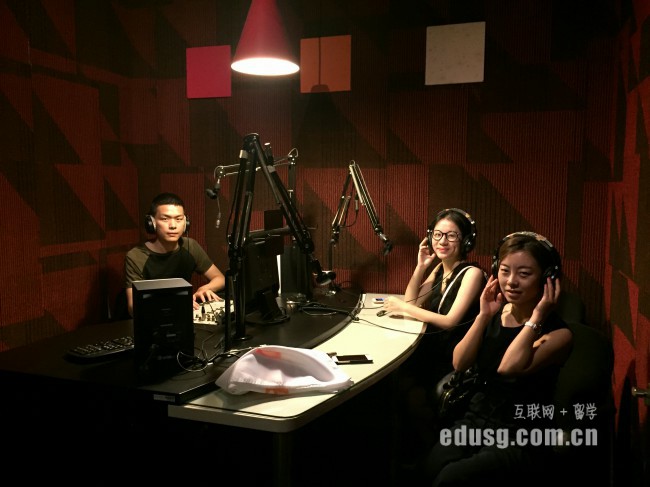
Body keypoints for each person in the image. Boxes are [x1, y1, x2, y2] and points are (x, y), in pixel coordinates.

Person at [417, 231, 574, 486]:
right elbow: (459, 363)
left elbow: (508, 367)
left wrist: (537, 317)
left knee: (450, 478)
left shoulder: (558, 334)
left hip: (521, 432)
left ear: (547, 278)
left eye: (524, 274)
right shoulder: (495, 313)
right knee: (429, 468)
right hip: (476, 418)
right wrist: (483, 316)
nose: (511, 282)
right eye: (504, 271)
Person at [382, 208, 487, 462]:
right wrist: (421, 266)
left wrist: (404, 308)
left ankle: (432, 453)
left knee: (409, 391)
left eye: (451, 235)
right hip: (434, 351)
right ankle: (417, 453)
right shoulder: (440, 269)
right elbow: (413, 300)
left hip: (454, 356)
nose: (442, 241)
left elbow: (450, 322)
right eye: (437, 234)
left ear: (466, 241)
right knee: (395, 384)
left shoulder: (471, 273)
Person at [124, 192, 226, 316]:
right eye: (165, 219)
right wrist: (174, 303)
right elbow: (133, 307)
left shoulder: (191, 246)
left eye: (178, 219)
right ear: (151, 223)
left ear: (185, 223)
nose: (173, 226)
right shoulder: (136, 256)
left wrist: (205, 288)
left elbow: (220, 279)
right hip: (153, 319)